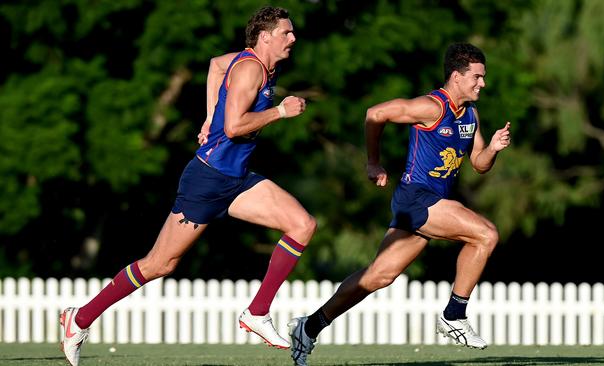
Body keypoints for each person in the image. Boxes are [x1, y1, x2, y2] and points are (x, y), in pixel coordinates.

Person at [60, 6, 316, 366]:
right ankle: (80, 318)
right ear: (265, 37)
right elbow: (233, 128)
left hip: (238, 179)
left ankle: (257, 314)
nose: (293, 38)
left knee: (303, 224)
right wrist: (280, 112)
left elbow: (213, 65)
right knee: (159, 264)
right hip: (208, 181)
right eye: (286, 33)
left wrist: (209, 115)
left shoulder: (255, 64)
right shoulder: (249, 69)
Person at [288, 43, 511, 365]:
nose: (482, 83)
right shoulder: (431, 107)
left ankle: (309, 326)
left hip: (430, 203)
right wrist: (373, 162)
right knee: (486, 234)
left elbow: (478, 164)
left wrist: (492, 148)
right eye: (477, 76)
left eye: (483, 77)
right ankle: (454, 314)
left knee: (379, 276)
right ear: (456, 76)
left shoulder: (471, 115)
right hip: (418, 198)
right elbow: (375, 114)